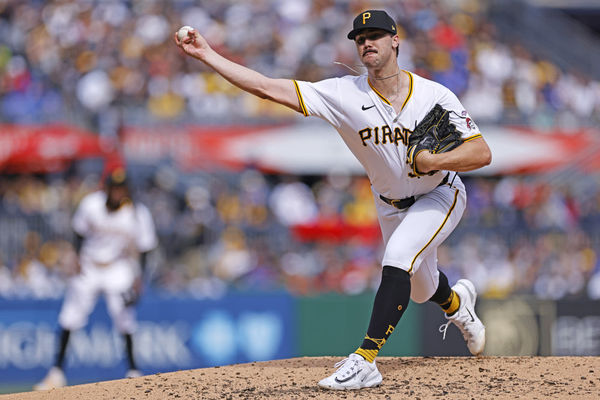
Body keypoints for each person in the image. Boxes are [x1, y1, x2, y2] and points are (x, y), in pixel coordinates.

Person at [175, 9, 491, 390]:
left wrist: (433, 160)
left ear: (395, 41)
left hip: (440, 193)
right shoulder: (343, 93)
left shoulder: (432, 95)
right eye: (360, 38)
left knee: (397, 259)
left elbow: (481, 153)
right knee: (422, 290)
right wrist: (208, 54)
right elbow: (265, 86)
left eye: (375, 35)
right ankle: (459, 305)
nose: (366, 43)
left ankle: (366, 359)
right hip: (390, 203)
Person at [34, 168, 158, 390]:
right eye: (114, 187)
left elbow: (146, 248)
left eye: (122, 188)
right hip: (89, 265)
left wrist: (140, 277)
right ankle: (56, 373)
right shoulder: (91, 204)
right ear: (107, 187)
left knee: (124, 317)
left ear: (127, 190)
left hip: (118, 267)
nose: (117, 192)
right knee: (70, 316)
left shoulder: (138, 213)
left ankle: (133, 370)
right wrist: (76, 257)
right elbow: (79, 233)